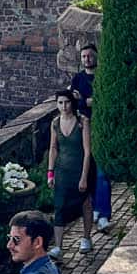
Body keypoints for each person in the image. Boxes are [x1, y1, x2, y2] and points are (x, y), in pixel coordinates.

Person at [68, 44, 111, 229]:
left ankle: (104, 214)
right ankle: (94, 208)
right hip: (83, 129)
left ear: (96, 57)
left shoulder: (103, 76)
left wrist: (84, 100)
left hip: (101, 127)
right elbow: (71, 101)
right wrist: (86, 101)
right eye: (84, 56)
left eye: (90, 56)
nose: (87, 59)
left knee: (102, 172)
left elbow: (104, 99)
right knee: (89, 170)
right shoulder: (77, 78)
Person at [47, 88, 93, 255]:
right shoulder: (55, 123)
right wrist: (50, 173)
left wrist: (84, 177)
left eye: (66, 102)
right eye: (60, 103)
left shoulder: (82, 121)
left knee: (85, 203)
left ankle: (86, 237)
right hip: (62, 171)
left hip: (80, 168)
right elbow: (53, 148)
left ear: (71, 103)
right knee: (59, 206)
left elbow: (87, 151)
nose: (64, 106)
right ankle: (58, 246)